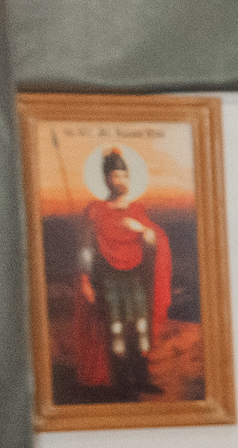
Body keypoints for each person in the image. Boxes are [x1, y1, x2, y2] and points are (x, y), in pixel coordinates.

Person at [72, 147, 168, 396]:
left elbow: (153, 240)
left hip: (135, 277)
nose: (121, 181)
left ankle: (142, 378)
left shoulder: (137, 211)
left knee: (140, 327)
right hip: (108, 279)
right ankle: (123, 382)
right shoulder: (95, 211)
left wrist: (140, 229)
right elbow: (86, 250)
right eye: (115, 176)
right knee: (117, 328)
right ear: (106, 179)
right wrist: (85, 281)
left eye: (124, 176)